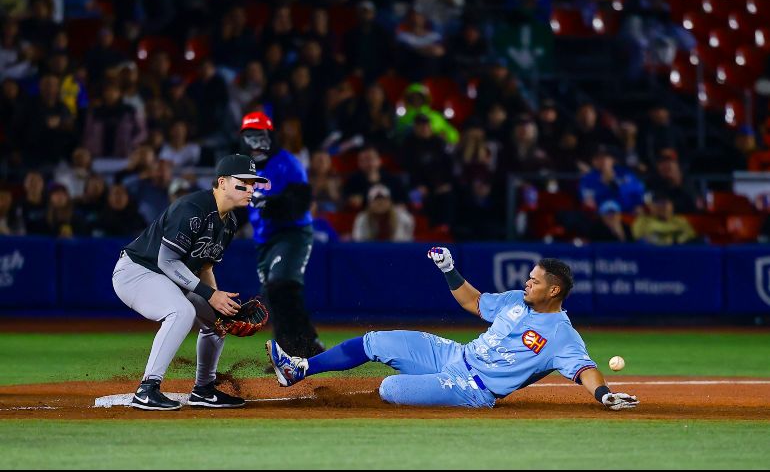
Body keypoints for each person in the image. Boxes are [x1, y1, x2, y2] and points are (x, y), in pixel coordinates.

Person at [266, 250, 639, 411]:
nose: (527, 283)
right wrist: (449, 269)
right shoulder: (514, 300)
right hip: (455, 355)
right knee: (374, 341)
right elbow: (474, 303)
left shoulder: (561, 333)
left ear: (553, 290)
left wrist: (603, 394)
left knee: (389, 389)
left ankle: (343, 399)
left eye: (535, 281)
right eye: (529, 277)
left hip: (471, 389)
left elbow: (583, 368)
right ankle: (299, 368)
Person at [112, 154, 269, 411]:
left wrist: (217, 300)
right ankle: (147, 389)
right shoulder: (192, 209)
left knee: (218, 322)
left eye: (254, 184)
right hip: (138, 272)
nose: (251, 189)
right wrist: (210, 295)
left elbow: (205, 266)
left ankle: (204, 390)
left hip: (170, 279)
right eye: (244, 182)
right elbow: (167, 261)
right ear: (223, 182)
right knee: (182, 311)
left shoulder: (228, 223)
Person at [238, 112, 324, 359]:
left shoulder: (288, 163)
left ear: (270, 136)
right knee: (273, 294)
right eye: (250, 137)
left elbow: (301, 201)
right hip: (263, 240)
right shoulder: (242, 167)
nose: (256, 143)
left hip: (292, 233)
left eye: (260, 136)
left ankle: (304, 347)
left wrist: (271, 205)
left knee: (282, 284)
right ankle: (297, 349)